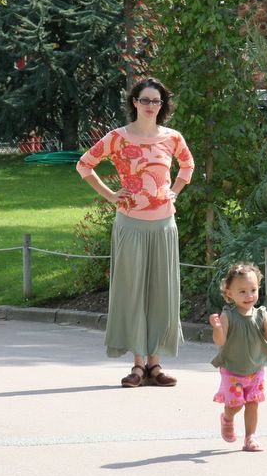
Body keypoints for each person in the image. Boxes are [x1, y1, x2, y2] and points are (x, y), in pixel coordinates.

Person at [76, 78, 194, 387]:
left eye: (156, 101)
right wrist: (110, 195)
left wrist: (175, 191)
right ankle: (138, 364)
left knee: (161, 292)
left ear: (162, 105)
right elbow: (84, 165)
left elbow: (187, 166)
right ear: (134, 102)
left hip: (164, 225)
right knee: (133, 292)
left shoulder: (172, 138)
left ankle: (156, 364)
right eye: (145, 100)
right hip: (130, 224)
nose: (150, 106)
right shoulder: (118, 137)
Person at [208, 263, 267, 452]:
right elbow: (220, 341)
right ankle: (227, 417)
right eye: (242, 291)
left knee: (252, 403)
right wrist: (217, 328)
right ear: (229, 293)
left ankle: (250, 437)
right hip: (233, 371)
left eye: (253, 290)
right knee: (235, 405)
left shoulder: (262, 314)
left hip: (255, 369)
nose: (249, 295)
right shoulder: (228, 315)